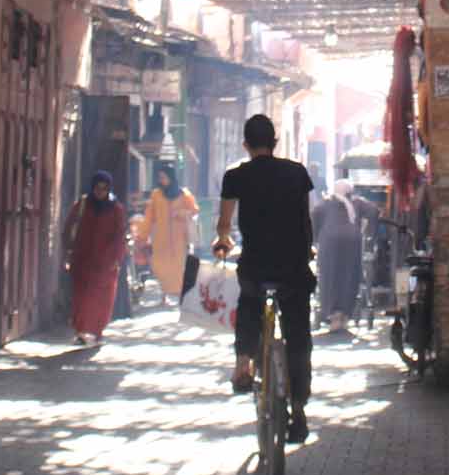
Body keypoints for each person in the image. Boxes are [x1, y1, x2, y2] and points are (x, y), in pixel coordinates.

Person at [213, 115, 316, 442]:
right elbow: (304, 219)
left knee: (249, 302)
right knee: (298, 334)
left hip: (257, 264)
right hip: (293, 266)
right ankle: (298, 409)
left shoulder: (235, 176)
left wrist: (223, 241)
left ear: (245, 144)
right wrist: (308, 251)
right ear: (275, 142)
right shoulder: (297, 172)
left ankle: (243, 362)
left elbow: (225, 224)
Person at [63, 171, 130, 345]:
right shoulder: (83, 205)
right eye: (97, 188)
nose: (100, 192)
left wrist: (116, 259)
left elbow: (120, 236)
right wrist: (68, 252)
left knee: (102, 299)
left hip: (105, 263)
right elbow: (69, 226)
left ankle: (97, 331)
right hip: (82, 260)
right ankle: (81, 330)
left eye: (104, 188)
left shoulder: (116, 209)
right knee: (81, 297)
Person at [313, 178, 379, 333]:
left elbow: (314, 215)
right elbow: (374, 211)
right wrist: (369, 233)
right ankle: (343, 314)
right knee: (349, 276)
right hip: (352, 243)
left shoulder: (326, 203)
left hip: (329, 243)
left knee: (329, 277)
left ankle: (333, 314)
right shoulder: (357, 202)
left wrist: (316, 238)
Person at [138, 162, 199, 303]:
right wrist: (142, 236)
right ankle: (164, 295)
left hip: (179, 239)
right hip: (161, 239)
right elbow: (149, 217)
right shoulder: (156, 195)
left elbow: (194, 210)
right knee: (161, 267)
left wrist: (181, 213)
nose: (161, 180)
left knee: (178, 267)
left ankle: (179, 295)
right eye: (160, 177)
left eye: (164, 177)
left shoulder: (184, 194)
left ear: (171, 177)